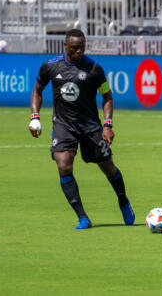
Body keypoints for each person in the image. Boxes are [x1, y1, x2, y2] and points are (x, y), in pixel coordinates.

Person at [28, 29, 134, 229]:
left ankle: (123, 200)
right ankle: (82, 217)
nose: (79, 51)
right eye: (75, 48)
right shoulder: (50, 66)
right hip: (63, 125)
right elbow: (37, 90)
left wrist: (108, 125)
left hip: (91, 127)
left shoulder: (94, 68)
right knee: (63, 165)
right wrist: (35, 117)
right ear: (66, 46)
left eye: (82, 47)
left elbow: (107, 96)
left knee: (108, 167)